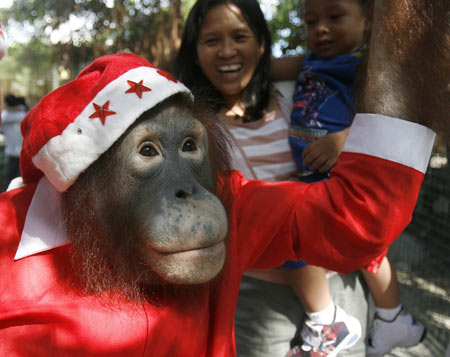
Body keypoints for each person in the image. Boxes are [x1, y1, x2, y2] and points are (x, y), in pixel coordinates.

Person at [174, 0, 362, 356]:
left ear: (261, 43)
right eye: (211, 40)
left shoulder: (300, 92)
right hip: (258, 302)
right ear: (195, 51)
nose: (227, 51)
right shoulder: (186, 127)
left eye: (240, 36)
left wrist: (346, 140)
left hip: (339, 285)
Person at [274, 1, 426, 355]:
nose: (321, 29)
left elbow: (396, 112)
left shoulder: (366, 64)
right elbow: (261, 68)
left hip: (347, 176)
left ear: (367, 21)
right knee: (370, 253)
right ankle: (393, 317)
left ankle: (326, 321)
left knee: (294, 237)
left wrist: (345, 141)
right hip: (315, 177)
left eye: (335, 17)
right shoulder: (309, 60)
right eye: (311, 22)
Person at [0, 94, 27, 191]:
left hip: (11, 150)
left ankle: (8, 192)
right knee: (21, 176)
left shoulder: (5, 116)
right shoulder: (22, 114)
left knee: (10, 175)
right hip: (22, 149)